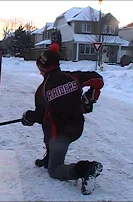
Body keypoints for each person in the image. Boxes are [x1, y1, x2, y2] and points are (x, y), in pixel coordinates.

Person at [21, 42, 104, 195]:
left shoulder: (42, 91)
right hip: (77, 127)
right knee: (49, 122)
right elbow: (98, 80)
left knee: (54, 170)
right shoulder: (73, 77)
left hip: (61, 135)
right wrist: (89, 99)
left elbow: (40, 116)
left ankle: (86, 169)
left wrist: (29, 117)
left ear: (42, 68)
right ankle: (49, 157)